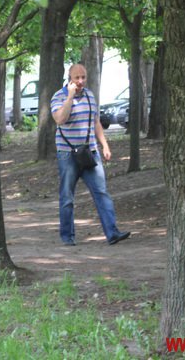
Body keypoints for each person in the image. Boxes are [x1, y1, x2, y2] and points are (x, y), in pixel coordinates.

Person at [51, 63, 130, 246]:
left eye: (83, 77)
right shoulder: (59, 96)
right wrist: (70, 97)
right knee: (67, 197)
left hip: (90, 152)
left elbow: (95, 123)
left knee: (101, 192)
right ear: (69, 78)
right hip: (67, 154)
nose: (80, 81)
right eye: (76, 78)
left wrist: (105, 146)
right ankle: (67, 237)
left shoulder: (90, 96)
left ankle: (112, 233)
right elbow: (60, 119)